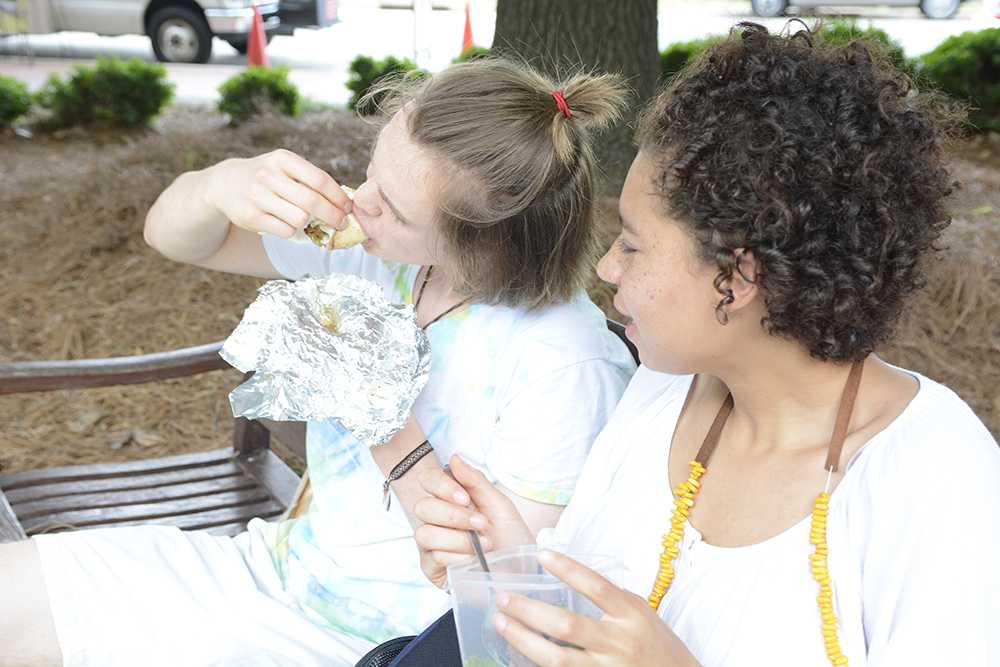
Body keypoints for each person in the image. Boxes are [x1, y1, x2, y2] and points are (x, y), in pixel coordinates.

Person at [0, 59, 637, 666]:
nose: (359, 202)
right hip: (269, 570)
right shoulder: (386, 259)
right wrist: (218, 184)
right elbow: (172, 236)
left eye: (393, 206)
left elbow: (499, 595)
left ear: (486, 242)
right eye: (370, 174)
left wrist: (382, 416)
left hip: (372, 643)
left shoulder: (565, 364)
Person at [414, 23, 1000, 667]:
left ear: (738, 277)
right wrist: (510, 566)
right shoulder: (664, 392)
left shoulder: (937, 478)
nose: (608, 267)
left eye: (633, 245)